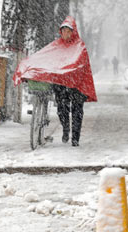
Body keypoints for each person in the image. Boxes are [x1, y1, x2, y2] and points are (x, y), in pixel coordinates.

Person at [14, 16, 97, 147]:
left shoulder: (79, 46)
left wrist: (68, 71)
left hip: (77, 85)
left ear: (73, 32)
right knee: (61, 109)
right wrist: (29, 64)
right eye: (63, 31)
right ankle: (65, 128)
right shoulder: (56, 46)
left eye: (68, 31)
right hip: (62, 84)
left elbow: (81, 64)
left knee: (77, 112)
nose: (66, 33)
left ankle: (75, 138)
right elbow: (45, 57)